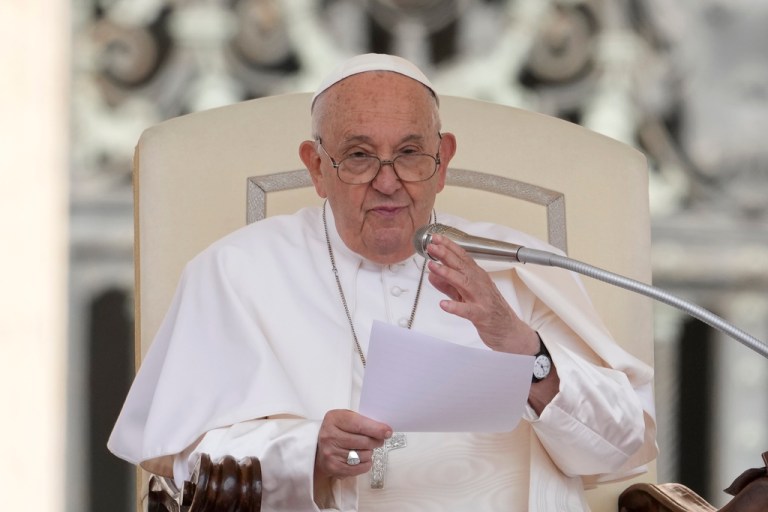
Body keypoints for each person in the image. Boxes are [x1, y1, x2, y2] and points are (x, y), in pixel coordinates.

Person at [109, 53, 657, 511]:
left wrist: (525, 350)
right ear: (316, 167)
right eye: (359, 155)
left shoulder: (520, 267)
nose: (389, 182)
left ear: (443, 162)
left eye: (411, 154)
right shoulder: (233, 271)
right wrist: (307, 452)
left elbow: (618, 449)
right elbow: (185, 472)